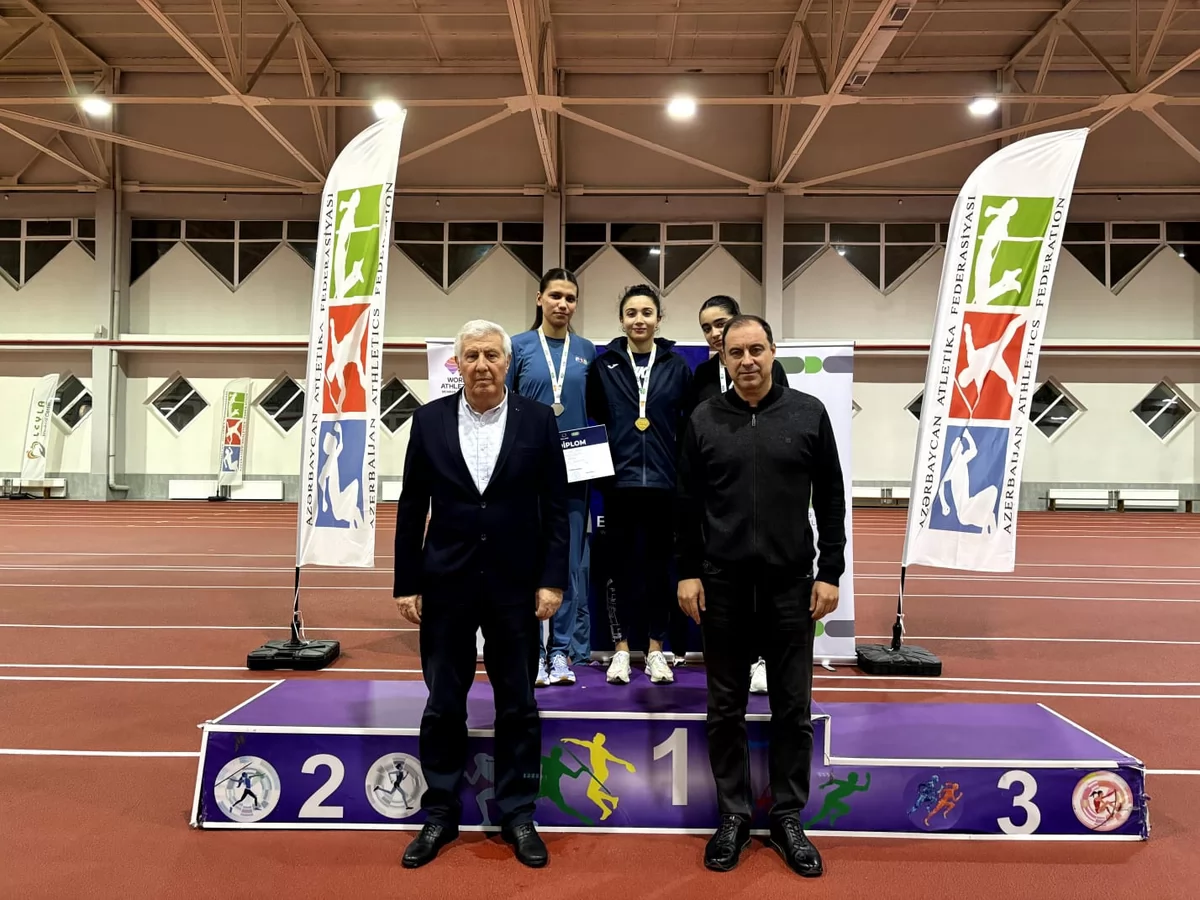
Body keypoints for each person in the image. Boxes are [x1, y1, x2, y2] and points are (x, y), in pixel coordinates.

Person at [393, 319, 569, 870]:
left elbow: (557, 508)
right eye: (471, 356)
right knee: (444, 702)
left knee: (518, 703)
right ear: (458, 364)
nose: (482, 365)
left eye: (492, 355)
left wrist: (552, 579)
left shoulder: (538, 420)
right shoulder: (428, 420)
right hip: (446, 581)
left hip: (517, 584)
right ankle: (440, 812)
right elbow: (411, 506)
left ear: (508, 362)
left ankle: (518, 813)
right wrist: (407, 581)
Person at [675, 314, 845, 878]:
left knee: (792, 708)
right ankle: (734, 815)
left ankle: (788, 817)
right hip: (721, 585)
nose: (746, 360)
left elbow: (832, 499)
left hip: (790, 586)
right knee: (724, 709)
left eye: (756, 350)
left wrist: (830, 571)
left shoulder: (808, 414)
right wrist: (688, 571)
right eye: (735, 352)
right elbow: (686, 505)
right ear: (722, 359)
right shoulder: (704, 418)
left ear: (773, 352)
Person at [681, 294, 791, 695]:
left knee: (765, 593)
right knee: (728, 599)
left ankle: (761, 660)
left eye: (720, 323)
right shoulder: (702, 375)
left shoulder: (771, 371)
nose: (714, 333)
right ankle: (735, 664)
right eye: (706, 328)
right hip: (720, 500)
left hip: (764, 501)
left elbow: (780, 424)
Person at [585, 284, 693, 686]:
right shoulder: (604, 366)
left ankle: (655, 650)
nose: (639, 320)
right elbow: (595, 419)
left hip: (664, 485)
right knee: (619, 570)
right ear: (621, 320)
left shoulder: (676, 367)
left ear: (658, 319)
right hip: (619, 485)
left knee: (659, 570)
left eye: (647, 312)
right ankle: (620, 650)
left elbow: (686, 425)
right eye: (631, 313)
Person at [507, 268, 598, 687]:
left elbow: (595, 408)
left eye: (571, 298)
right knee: (526, 561)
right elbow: (506, 408)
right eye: (556, 295)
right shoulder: (518, 346)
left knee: (568, 564)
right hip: (528, 471)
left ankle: (560, 651)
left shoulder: (586, 350)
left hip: (575, 472)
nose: (563, 304)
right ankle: (532, 652)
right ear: (539, 298)